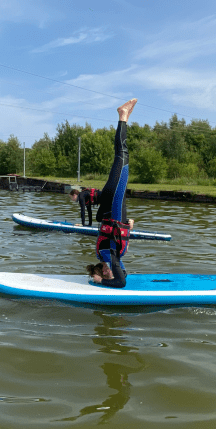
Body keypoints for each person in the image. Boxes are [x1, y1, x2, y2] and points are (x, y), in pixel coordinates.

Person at [86, 98, 137, 288]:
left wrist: (100, 281)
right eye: (107, 273)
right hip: (112, 203)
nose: (108, 271)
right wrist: (129, 227)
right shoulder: (112, 256)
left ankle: (123, 116)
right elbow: (122, 272)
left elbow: (121, 282)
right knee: (121, 158)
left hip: (114, 203)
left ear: (100, 268)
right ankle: (124, 118)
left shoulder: (106, 255)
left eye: (103, 271)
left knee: (122, 157)